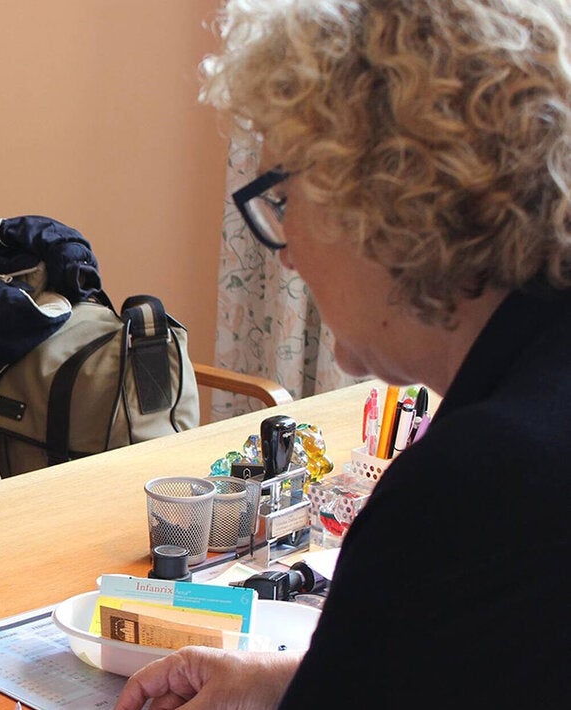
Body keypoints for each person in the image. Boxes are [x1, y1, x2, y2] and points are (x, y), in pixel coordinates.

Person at [117, 1, 571, 707]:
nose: (287, 249)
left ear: (393, 195)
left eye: (283, 198)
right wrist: (291, 685)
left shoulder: (474, 489)